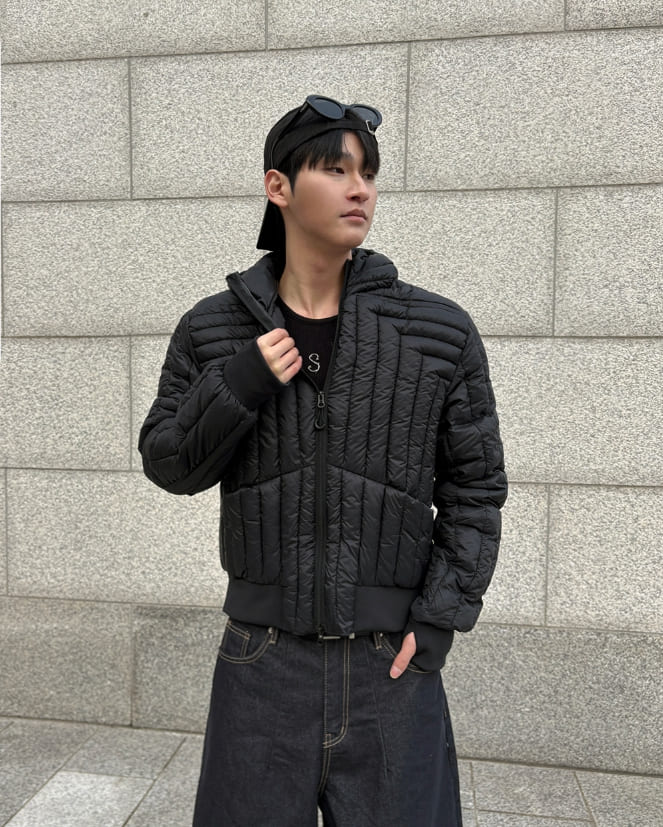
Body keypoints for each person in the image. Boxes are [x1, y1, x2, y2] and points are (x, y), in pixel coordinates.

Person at [139, 94, 507, 827]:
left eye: (367, 172)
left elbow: (475, 487)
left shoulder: (436, 331)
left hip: (390, 672)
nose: (359, 188)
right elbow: (168, 463)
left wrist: (437, 621)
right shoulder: (214, 331)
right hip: (261, 668)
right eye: (335, 169)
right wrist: (239, 383)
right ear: (278, 186)